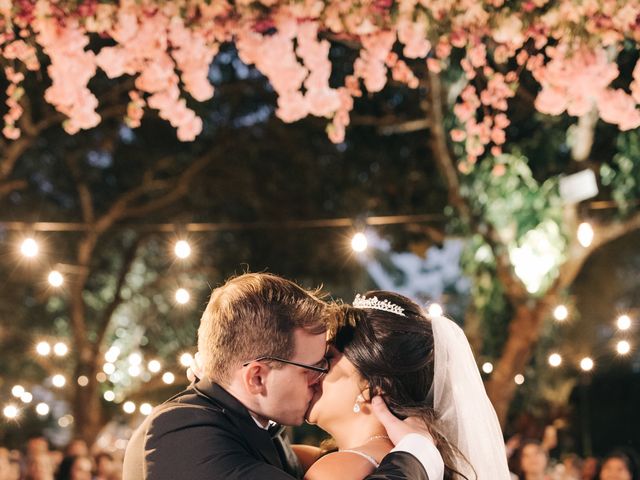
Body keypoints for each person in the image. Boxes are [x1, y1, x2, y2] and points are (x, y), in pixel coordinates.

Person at [123, 273, 441, 480]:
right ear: (257, 379)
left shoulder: (252, 425)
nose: (319, 377)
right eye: (314, 366)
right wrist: (417, 452)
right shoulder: (183, 433)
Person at [300, 291, 510, 479]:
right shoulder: (413, 462)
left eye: (328, 358)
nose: (312, 370)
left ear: (374, 387)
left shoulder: (336, 471)